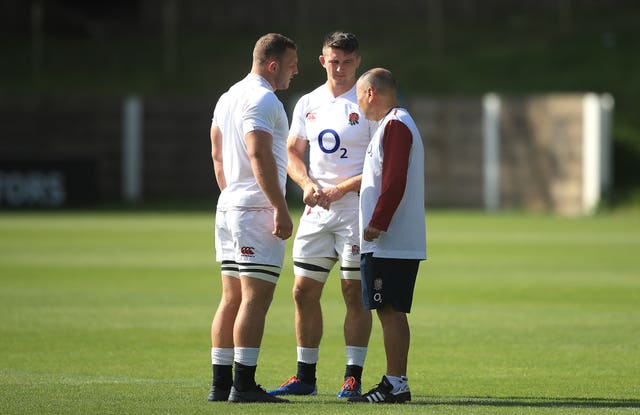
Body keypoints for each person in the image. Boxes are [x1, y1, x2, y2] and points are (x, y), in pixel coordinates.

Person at [268, 31, 375, 399]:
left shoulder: (369, 102)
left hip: (355, 212)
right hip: (317, 210)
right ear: (322, 61)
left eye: (347, 62)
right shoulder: (307, 102)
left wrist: (340, 189)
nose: (340, 68)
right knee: (302, 291)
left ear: (358, 61)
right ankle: (305, 376)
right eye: (334, 61)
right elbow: (293, 153)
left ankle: (352, 376)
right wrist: (307, 185)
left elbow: (380, 166)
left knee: (354, 291)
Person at [207, 33, 298, 404]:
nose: (295, 73)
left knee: (230, 298)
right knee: (254, 299)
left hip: (229, 205)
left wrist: (232, 195)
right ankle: (243, 385)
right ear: (273, 65)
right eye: (292, 66)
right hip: (255, 208)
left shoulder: (228, 96)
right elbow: (259, 154)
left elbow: (216, 154)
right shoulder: (264, 98)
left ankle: (220, 384)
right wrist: (278, 206)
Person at [348, 68, 427, 404]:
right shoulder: (393, 124)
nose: (357, 105)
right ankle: (397, 381)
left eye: (357, 96)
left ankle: (396, 384)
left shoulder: (395, 125)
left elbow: (394, 181)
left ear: (370, 93)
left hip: (389, 242)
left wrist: (378, 222)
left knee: (390, 310)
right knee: (390, 311)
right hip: (390, 242)